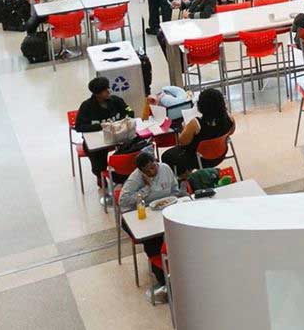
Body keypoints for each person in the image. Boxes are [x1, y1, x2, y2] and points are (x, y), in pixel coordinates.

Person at [120, 151, 183, 291]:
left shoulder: (165, 168)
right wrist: (146, 188)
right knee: (153, 242)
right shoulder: (135, 180)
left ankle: (176, 267)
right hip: (138, 215)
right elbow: (123, 201)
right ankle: (163, 280)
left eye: (153, 166)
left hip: (163, 211)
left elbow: (174, 189)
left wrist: (172, 200)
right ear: (140, 171)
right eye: (147, 170)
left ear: (156, 161)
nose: (152, 171)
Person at [161, 87, 234, 175]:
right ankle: (187, 172)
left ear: (201, 106)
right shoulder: (230, 119)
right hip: (220, 155)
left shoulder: (196, 123)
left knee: (167, 156)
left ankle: (184, 177)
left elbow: (182, 142)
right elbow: (231, 132)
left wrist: (184, 128)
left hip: (200, 160)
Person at [73, 76, 132, 179]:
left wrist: (122, 120)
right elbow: (79, 126)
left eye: (108, 88)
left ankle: (124, 173)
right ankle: (101, 176)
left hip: (119, 136)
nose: (109, 91)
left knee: (133, 143)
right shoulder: (86, 106)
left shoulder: (116, 100)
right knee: (97, 155)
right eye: (105, 90)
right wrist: (99, 126)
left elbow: (130, 110)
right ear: (97, 94)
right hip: (99, 140)